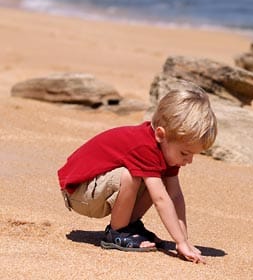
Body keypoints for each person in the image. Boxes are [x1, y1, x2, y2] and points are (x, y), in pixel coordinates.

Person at [58, 86, 217, 263]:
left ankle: (129, 225)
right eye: (185, 153)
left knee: (156, 179)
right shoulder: (144, 147)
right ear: (160, 135)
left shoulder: (166, 150)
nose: (189, 161)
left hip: (96, 190)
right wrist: (179, 242)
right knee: (131, 176)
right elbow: (161, 200)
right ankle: (117, 232)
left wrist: (184, 240)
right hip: (79, 192)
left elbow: (175, 196)